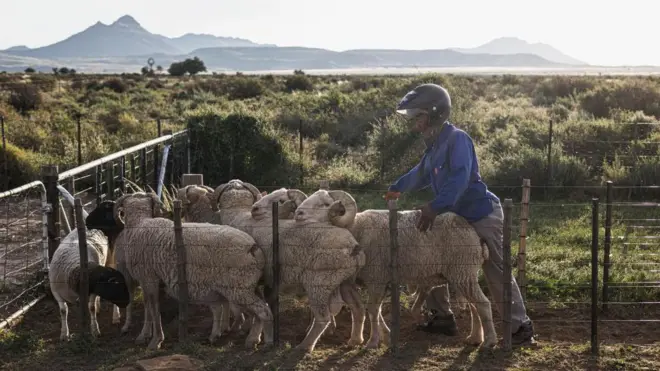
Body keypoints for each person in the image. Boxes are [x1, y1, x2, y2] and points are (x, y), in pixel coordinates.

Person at [384, 83, 536, 346]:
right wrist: (396, 188)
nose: (413, 122)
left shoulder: (458, 139)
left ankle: (520, 328)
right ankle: (442, 317)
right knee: (432, 259)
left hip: (481, 214)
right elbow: (419, 173)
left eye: (417, 116)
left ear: (435, 113)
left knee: (496, 269)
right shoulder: (433, 146)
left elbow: (459, 178)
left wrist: (434, 207)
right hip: (452, 215)